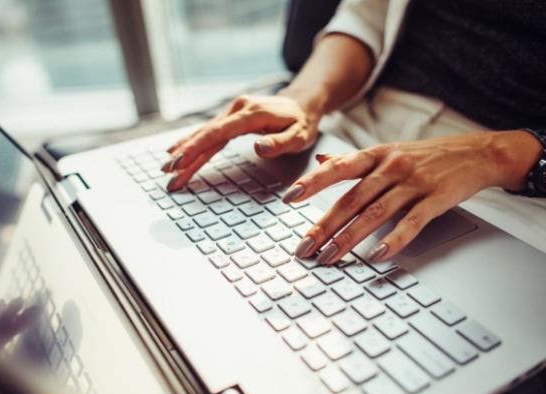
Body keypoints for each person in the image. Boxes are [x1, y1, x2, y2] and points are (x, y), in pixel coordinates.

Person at [161, 0, 546, 266]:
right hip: (358, 112)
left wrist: (496, 155)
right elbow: (366, 18)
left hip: (509, 178)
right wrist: (305, 97)